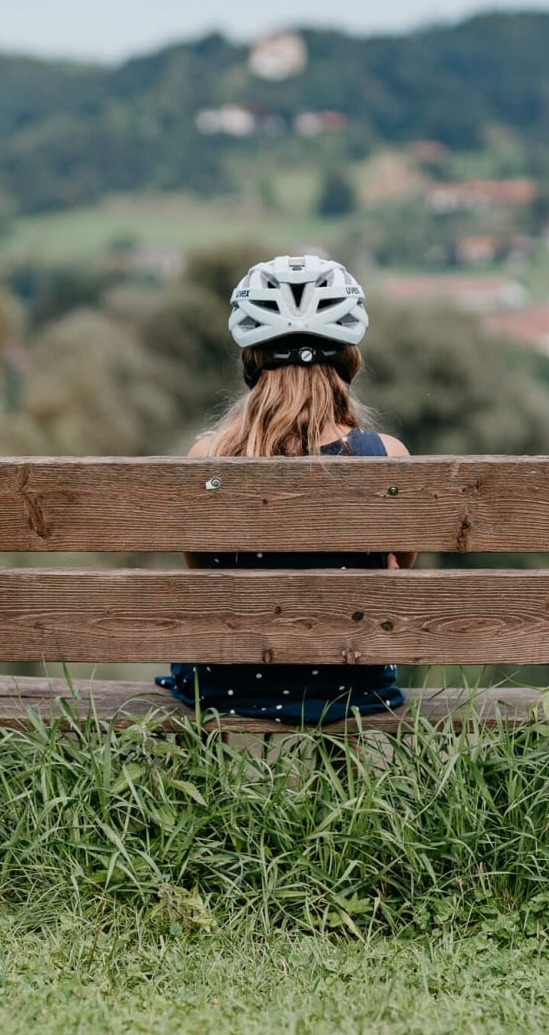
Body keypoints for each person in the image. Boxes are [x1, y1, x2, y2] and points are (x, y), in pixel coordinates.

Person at [156, 253, 415, 724]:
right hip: (353, 687)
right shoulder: (388, 458)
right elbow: (397, 572)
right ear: (348, 359)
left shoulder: (208, 459)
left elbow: (204, 572)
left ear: (252, 361)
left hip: (224, 685)